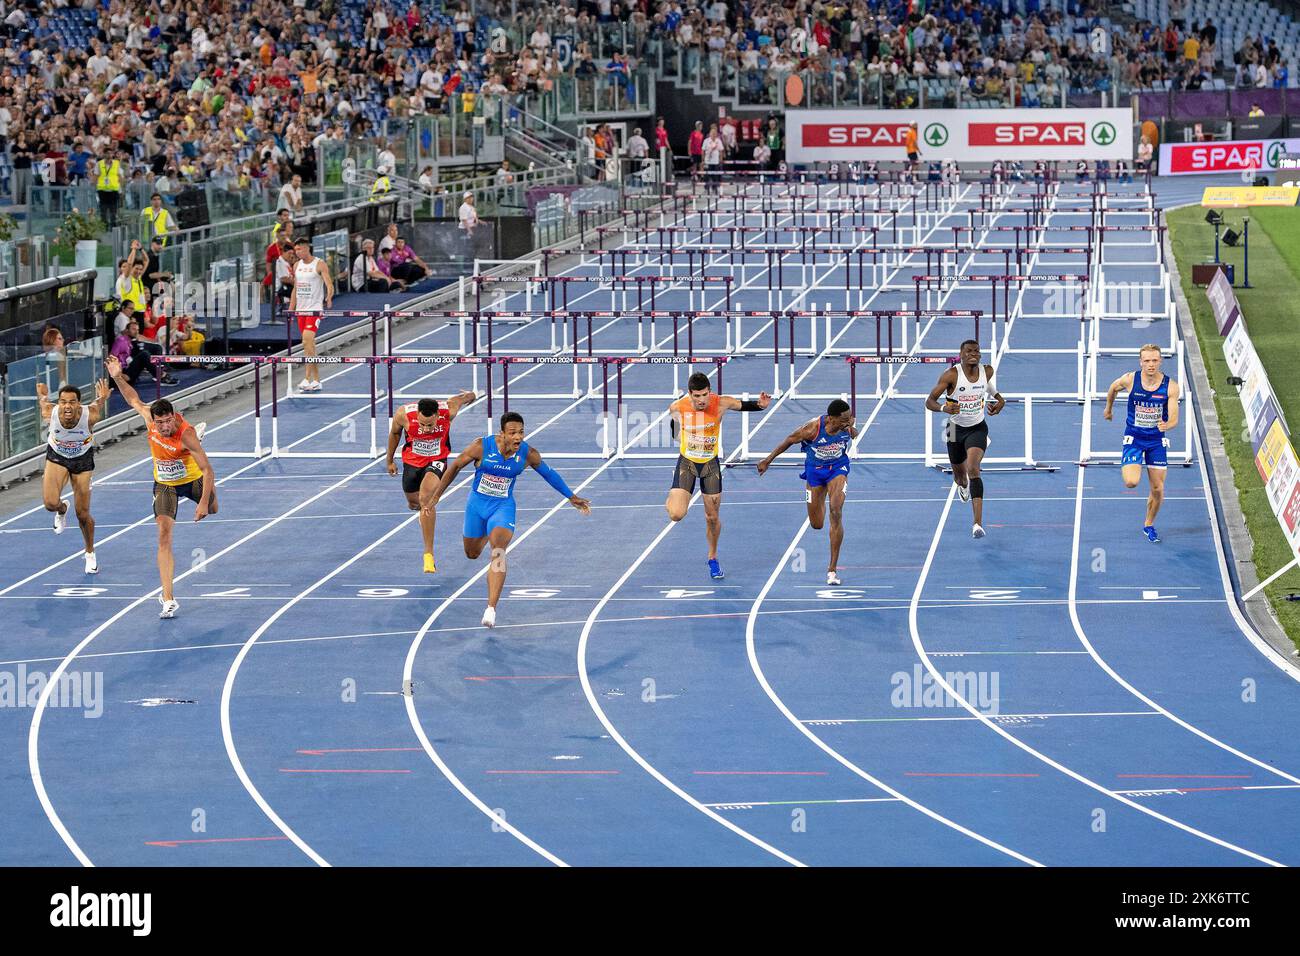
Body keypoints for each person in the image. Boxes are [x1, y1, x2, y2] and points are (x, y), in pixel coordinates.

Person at [429, 412, 591, 627]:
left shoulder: (527, 454)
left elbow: (549, 474)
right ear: (502, 434)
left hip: (502, 507)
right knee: (472, 553)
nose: (518, 437)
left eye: (521, 432)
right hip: (476, 506)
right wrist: (436, 497)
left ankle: (491, 609)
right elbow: (456, 466)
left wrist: (572, 497)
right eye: (513, 433)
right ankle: (488, 530)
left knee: (498, 550)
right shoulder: (481, 447)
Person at [105, 355, 216, 619]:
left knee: (213, 508)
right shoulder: (150, 420)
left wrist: (202, 503)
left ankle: (201, 453)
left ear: (174, 418)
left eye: (168, 422)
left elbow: (208, 470)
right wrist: (117, 376)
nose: (164, 427)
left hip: (192, 480)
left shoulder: (184, 433)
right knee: (164, 536)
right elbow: (133, 399)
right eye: (160, 423)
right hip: (165, 484)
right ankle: (168, 597)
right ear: (153, 420)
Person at [665, 372, 772, 579]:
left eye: (704, 395)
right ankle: (673, 495)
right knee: (676, 514)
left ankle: (712, 558)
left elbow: (744, 405)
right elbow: (674, 431)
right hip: (687, 462)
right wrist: (685, 438)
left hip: (710, 465)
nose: (701, 400)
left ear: (709, 392)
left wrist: (760, 405)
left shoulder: (721, 403)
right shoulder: (677, 407)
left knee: (712, 517)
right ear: (690, 394)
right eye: (696, 396)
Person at [756, 399, 859, 585]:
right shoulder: (812, 429)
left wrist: (852, 430)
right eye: (844, 419)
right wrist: (767, 460)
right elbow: (789, 440)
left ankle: (832, 570)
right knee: (817, 524)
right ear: (831, 419)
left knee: (836, 511)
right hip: (815, 472)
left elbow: (853, 432)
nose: (848, 421)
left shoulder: (845, 425)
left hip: (838, 468)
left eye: (849, 417)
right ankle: (820, 500)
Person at [385, 391, 476, 573]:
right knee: (414, 503)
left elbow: (465, 398)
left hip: (437, 460)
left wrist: (470, 395)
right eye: (422, 424)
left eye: (430, 425)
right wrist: (389, 460)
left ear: (438, 416)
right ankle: (423, 515)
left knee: (426, 499)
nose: (426, 429)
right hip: (412, 462)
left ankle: (428, 554)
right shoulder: (403, 414)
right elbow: (395, 434)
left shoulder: (449, 410)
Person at [924, 340, 1005, 539]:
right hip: (953, 428)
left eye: (976, 351)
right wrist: (944, 408)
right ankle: (963, 486)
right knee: (960, 476)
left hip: (977, 427)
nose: (973, 354)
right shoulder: (951, 375)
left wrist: (1000, 400)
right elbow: (929, 401)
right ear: (960, 354)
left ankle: (977, 523)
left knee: (973, 469)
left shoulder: (987, 371)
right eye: (968, 351)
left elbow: (989, 388)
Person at [1103, 344, 1181, 542]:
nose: (1151, 364)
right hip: (1134, 439)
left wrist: (1168, 424)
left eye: (1154, 360)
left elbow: (1174, 417)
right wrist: (1108, 409)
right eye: (1147, 361)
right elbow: (1113, 388)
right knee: (1131, 482)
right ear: (1141, 362)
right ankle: (1133, 463)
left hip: (1156, 441)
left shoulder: (1171, 386)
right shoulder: (1131, 379)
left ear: (1160, 361)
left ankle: (1148, 525)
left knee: (1157, 489)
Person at [38, 377, 110, 574]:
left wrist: (102, 397)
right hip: (57, 457)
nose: (67, 406)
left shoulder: (90, 416)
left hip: (82, 460)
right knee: (50, 504)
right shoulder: (49, 412)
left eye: (72, 402)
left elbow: (97, 403)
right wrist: (43, 394)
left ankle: (90, 553)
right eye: (63, 402)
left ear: (79, 403)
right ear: (58, 403)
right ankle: (62, 510)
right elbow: (43, 401)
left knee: (83, 514)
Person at [289, 236, 334, 392]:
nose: (297, 252)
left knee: (307, 340)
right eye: (295, 250)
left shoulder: (319, 264)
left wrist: (329, 295)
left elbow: (329, 282)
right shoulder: (296, 266)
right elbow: (296, 288)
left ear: (307, 248)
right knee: (309, 346)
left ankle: (307, 378)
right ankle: (317, 380)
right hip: (301, 310)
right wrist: (291, 308)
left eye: (299, 249)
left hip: (314, 309)